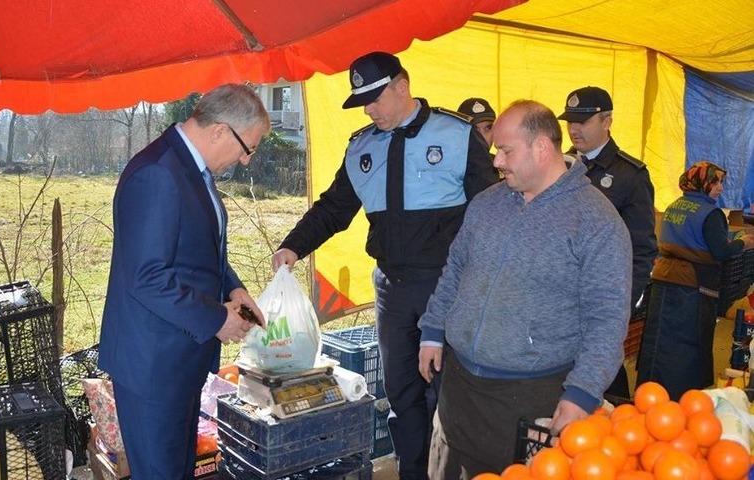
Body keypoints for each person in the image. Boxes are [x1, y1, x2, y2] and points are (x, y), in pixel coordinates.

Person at [271, 51, 497, 480]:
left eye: (376, 98)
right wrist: (293, 247)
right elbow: (334, 209)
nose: (371, 109)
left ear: (402, 87)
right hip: (392, 290)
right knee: (402, 393)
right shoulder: (361, 147)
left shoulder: (456, 135)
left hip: (446, 287)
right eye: (363, 103)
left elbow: (491, 212)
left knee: (448, 393)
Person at [418, 100, 632, 477]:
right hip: (459, 390)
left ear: (542, 148)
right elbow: (455, 270)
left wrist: (582, 392)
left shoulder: (596, 220)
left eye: (505, 150)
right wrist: (433, 332)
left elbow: (608, 318)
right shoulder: (486, 204)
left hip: (530, 397)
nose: (496, 161)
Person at [98, 84, 269, 479]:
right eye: (249, 148)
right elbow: (146, 276)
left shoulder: (189, 169)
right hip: (153, 365)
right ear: (220, 131)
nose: (245, 160)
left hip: (177, 358)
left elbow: (200, 252)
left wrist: (234, 289)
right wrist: (216, 319)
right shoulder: (158, 173)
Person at [558, 85, 658, 398]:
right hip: (559, 295)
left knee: (602, 380)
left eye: (583, 121)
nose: (574, 129)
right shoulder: (558, 168)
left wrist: (622, 304)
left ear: (607, 121)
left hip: (602, 297)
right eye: (570, 121)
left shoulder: (630, 175)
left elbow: (642, 249)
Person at [637, 161, 754, 400]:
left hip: (663, 280)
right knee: (688, 342)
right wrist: (745, 242)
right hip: (692, 287)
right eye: (715, 182)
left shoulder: (674, 206)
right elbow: (720, 251)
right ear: (703, 183)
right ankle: (682, 397)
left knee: (659, 338)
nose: (720, 188)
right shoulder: (710, 214)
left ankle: (650, 392)